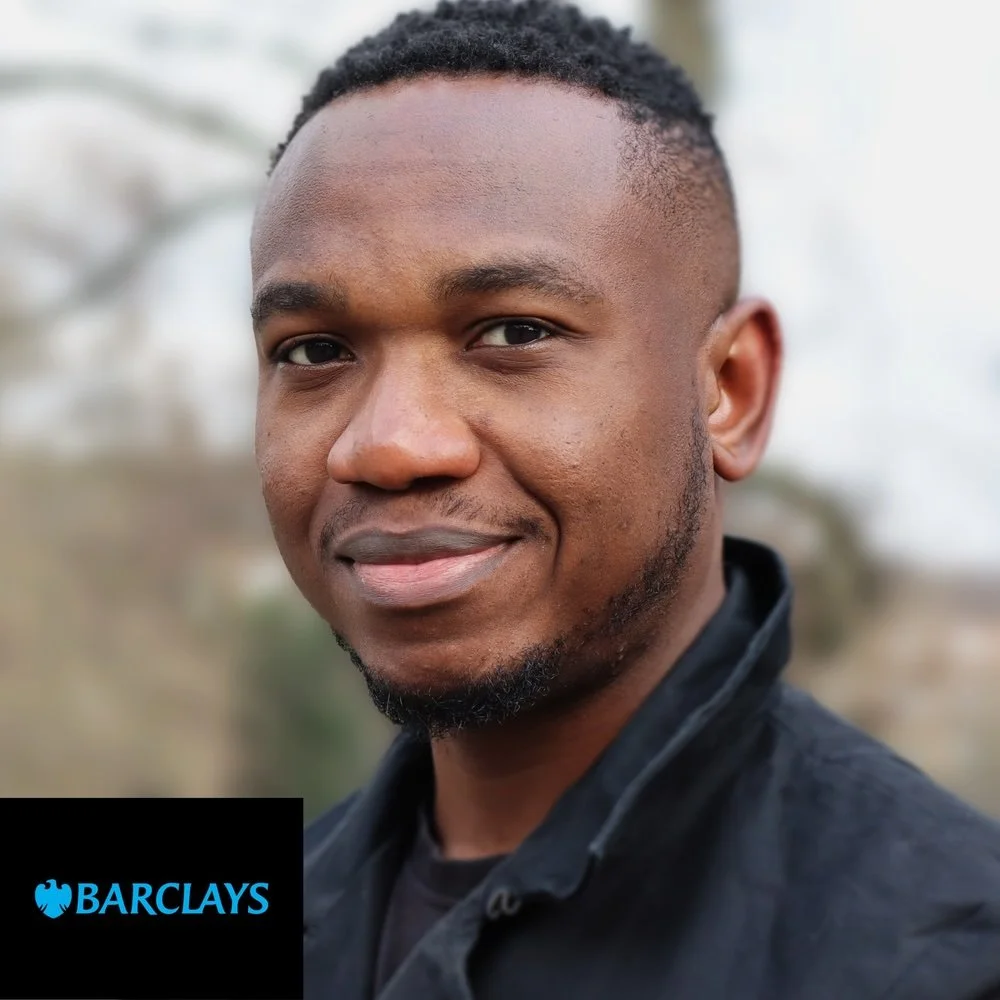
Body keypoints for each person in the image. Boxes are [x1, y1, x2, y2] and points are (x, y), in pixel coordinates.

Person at [250, 1, 1000, 996]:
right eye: (313, 351)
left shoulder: (944, 953)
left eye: (514, 333)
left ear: (728, 390)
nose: (388, 445)